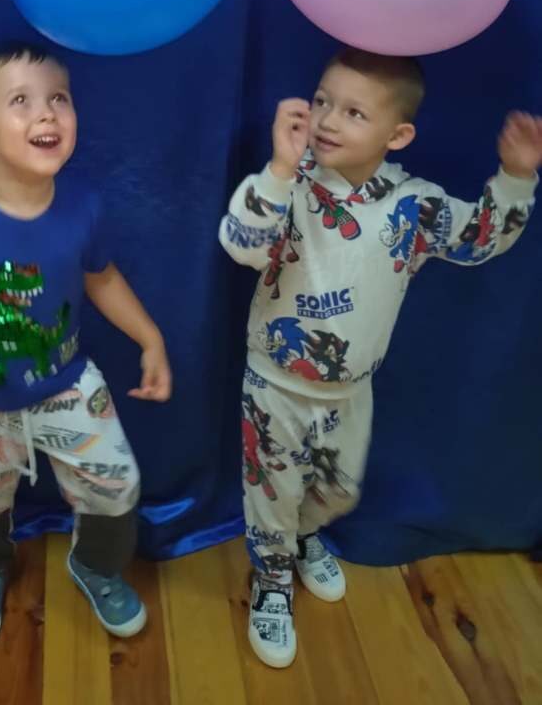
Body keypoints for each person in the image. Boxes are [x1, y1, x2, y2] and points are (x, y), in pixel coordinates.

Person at [219, 46, 542, 668]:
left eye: (353, 112)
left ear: (398, 135)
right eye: (322, 101)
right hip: (275, 385)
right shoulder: (292, 184)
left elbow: (478, 240)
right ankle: (272, 579)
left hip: (350, 391)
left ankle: (304, 537)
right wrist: (279, 170)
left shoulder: (413, 204)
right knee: (271, 495)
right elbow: (241, 243)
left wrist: (515, 178)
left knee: (338, 491)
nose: (327, 119)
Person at [0, 42, 171, 649]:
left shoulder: (84, 207)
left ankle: (96, 565)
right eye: (20, 101)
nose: (46, 113)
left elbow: (102, 278)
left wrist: (149, 336)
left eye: (59, 99)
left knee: (115, 482)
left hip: (65, 383)